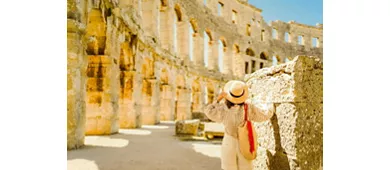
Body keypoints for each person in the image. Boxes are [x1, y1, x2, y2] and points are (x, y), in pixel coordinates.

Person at [205, 80, 275, 170]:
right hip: (245, 142)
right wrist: (270, 103)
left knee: (229, 168)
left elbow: (208, 111)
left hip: (228, 141)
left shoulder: (222, 109)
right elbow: (264, 115)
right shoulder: (248, 108)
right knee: (246, 167)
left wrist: (218, 99)